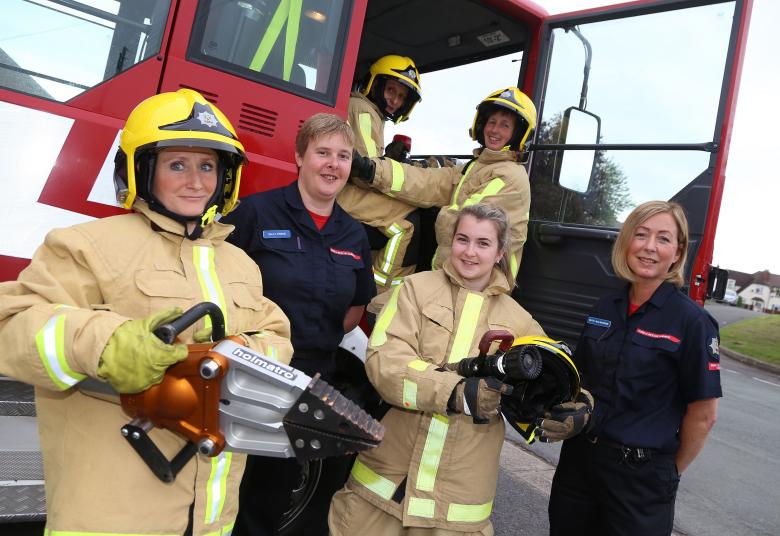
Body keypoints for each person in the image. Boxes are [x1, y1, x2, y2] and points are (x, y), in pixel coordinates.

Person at [0, 88, 293, 535]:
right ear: (140, 171)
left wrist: (241, 353)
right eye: (178, 164)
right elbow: (13, 324)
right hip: (112, 520)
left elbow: (275, 333)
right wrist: (106, 344)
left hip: (211, 520)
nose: (196, 182)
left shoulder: (240, 264)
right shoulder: (85, 245)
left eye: (208, 166)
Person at [328, 203, 546, 535]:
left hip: (455, 508)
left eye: (483, 243)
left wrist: (570, 407)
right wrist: (456, 391)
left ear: (501, 251)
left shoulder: (522, 322)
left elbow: (551, 380)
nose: (469, 252)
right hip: (383, 492)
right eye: (462, 239)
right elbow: (385, 363)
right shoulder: (414, 290)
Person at [222, 113, 375, 535]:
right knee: (221, 485)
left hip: (306, 381)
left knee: (271, 494)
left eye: (343, 156)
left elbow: (353, 311)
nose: (333, 164)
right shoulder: (256, 212)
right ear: (299, 157)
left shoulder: (353, 234)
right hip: (247, 373)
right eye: (322, 152)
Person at [542, 200, 722, 536]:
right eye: (641, 235)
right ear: (627, 241)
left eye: (664, 238)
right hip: (579, 466)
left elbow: (704, 416)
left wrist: (664, 474)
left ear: (678, 251)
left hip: (640, 481)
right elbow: (579, 381)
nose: (650, 247)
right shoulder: (604, 306)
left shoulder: (693, 322)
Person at [350, 86, 536, 283]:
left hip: (478, 285)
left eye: (505, 125)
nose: (494, 130)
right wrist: (372, 169)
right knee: (387, 304)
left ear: (518, 134)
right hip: (453, 272)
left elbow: (465, 224)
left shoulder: (509, 176)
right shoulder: (477, 166)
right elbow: (427, 181)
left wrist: (425, 208)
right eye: (492, 122)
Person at [337, 54, 425, 292]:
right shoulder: (364, 110)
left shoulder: (369, 112)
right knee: (409, 223)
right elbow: (365, 173)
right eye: (391, 90)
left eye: (401, 97)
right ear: (375, 84)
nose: (395, 100)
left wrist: (389, 158)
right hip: (346, 193)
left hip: (347, 189)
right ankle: (378, 292)